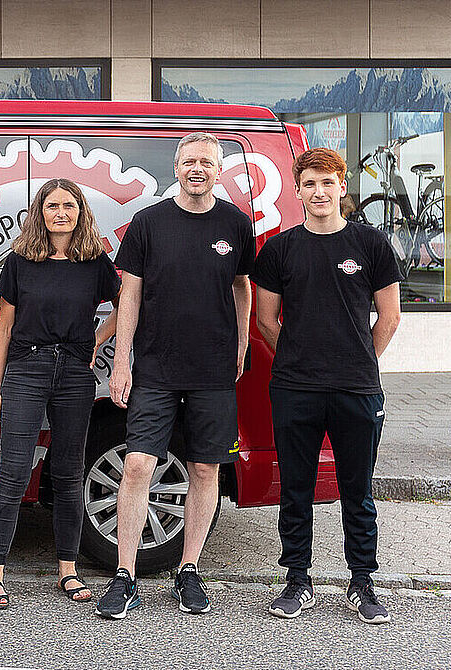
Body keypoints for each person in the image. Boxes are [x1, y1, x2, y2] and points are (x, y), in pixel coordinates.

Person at [100, 132, 255, 619]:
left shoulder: (235, 223)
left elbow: (242, 288)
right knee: (138, 466)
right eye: (189, 161)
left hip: (212, 370)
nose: (197, 169)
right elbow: (129, 296)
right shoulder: (148, 224)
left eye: (206, 162)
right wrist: (121, 359)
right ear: (176, 166)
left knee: (206, 468)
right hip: (155, 368)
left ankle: (189, 569)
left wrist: (242, 344)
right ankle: (124, 576)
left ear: (218, 169)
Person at [254, 148, 402, 624]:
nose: (319, 192)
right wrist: (301, 359)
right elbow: (265, 319)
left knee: (357, 490)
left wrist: (358, 362)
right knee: (295, 489)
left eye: (328, 183)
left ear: (343, 188)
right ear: (298, 191)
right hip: (295, 389)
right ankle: (298, 581)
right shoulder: (280, 249)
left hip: (356, 390)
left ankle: (362, 583)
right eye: (309, 184)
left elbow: (391, 316)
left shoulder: (371, 244)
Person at [0, 179, 119, 608]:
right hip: (26, 369)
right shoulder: (21, 260)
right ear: (39, 212)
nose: (61, 212)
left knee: (68, 472)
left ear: (81, 211)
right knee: (15, 470)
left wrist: (96, 341)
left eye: (69, 205)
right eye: (52, 205)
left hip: (75, 375)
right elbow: (4, 326)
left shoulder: (96, 261)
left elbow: (127, 304)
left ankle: (67, 570)